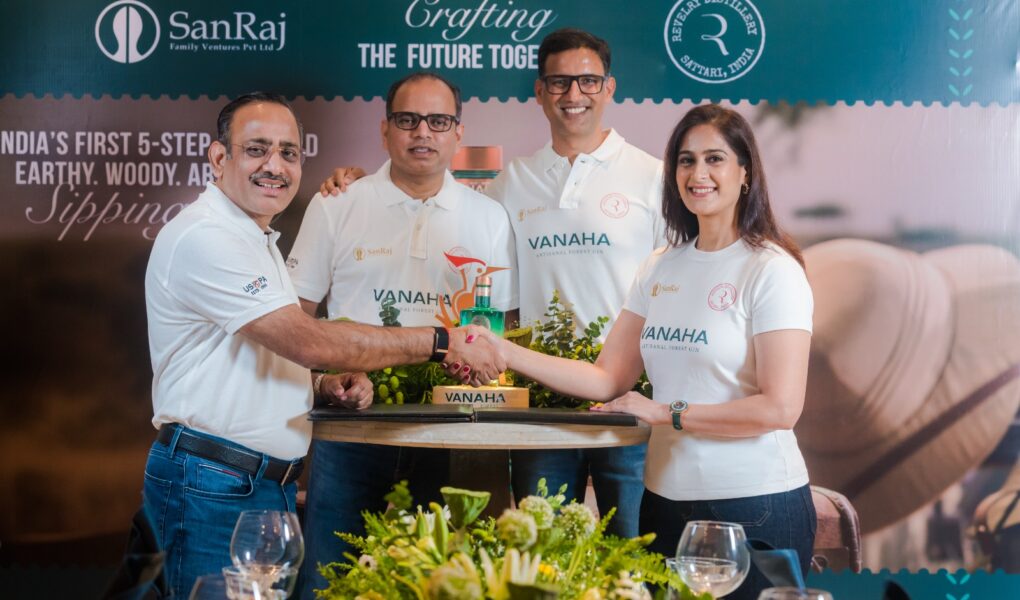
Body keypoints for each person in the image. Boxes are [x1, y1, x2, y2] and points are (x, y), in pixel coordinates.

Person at [142, 92, 502, 598]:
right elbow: (306, 339)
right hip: (212, 484)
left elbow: (259, 352)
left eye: (289, 152)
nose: (275, 166)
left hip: (256, 484)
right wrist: (442, 342)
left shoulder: (255, 238)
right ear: (219, 157)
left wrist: (321, 386)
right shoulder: (206, 236)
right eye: (257, 150)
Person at [319, 29, 664, 538]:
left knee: (636, 554)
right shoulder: (510, 184)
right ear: (540, 91)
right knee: (542, 557)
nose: (573, 94)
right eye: (559, 82)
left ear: (609, 88)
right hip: (540, 407)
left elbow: (676, 290)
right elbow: (420, 186)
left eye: (588, 81)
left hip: (628, 403)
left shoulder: (655, 178)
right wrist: (354, 183)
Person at [490, 104, 816, 600]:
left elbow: (780, 408)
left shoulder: (772, 270)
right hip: (665, 504)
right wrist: (503, 351)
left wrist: (667, 413)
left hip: (754, 505)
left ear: (745, 171)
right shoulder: (661, 266)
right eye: (686, 160)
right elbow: (607, 377)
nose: (698, 174)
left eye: (714, 159)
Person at [287, 72, 517, 598]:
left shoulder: (489, 217)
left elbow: (498, 335)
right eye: (408, 119)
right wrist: (324, 380)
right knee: (328, 583)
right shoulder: (338, 202)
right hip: (350, 428)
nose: (423, 133)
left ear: (458, 133)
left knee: (446, 586)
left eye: (438, 121)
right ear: (385, 129)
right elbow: (295, 321)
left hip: (454, 431)